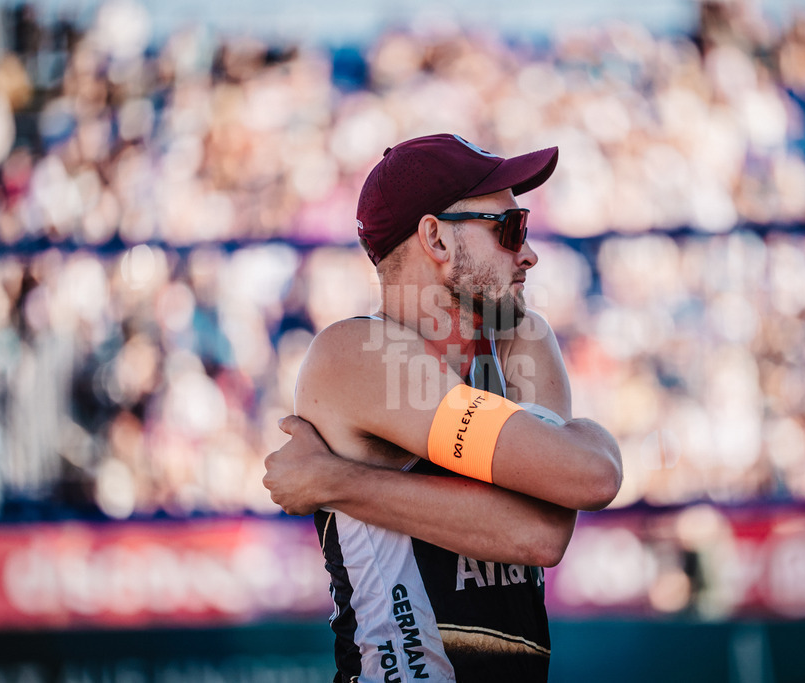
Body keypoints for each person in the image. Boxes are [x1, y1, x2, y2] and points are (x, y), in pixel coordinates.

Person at [263, 133, 622, 682]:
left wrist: (337, 482)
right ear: (435, 238)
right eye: (510, 228)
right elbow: (542, 527)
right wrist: (579, 442)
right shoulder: (354, 352)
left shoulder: (517, 337)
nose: (529, 253)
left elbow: (572, 500)